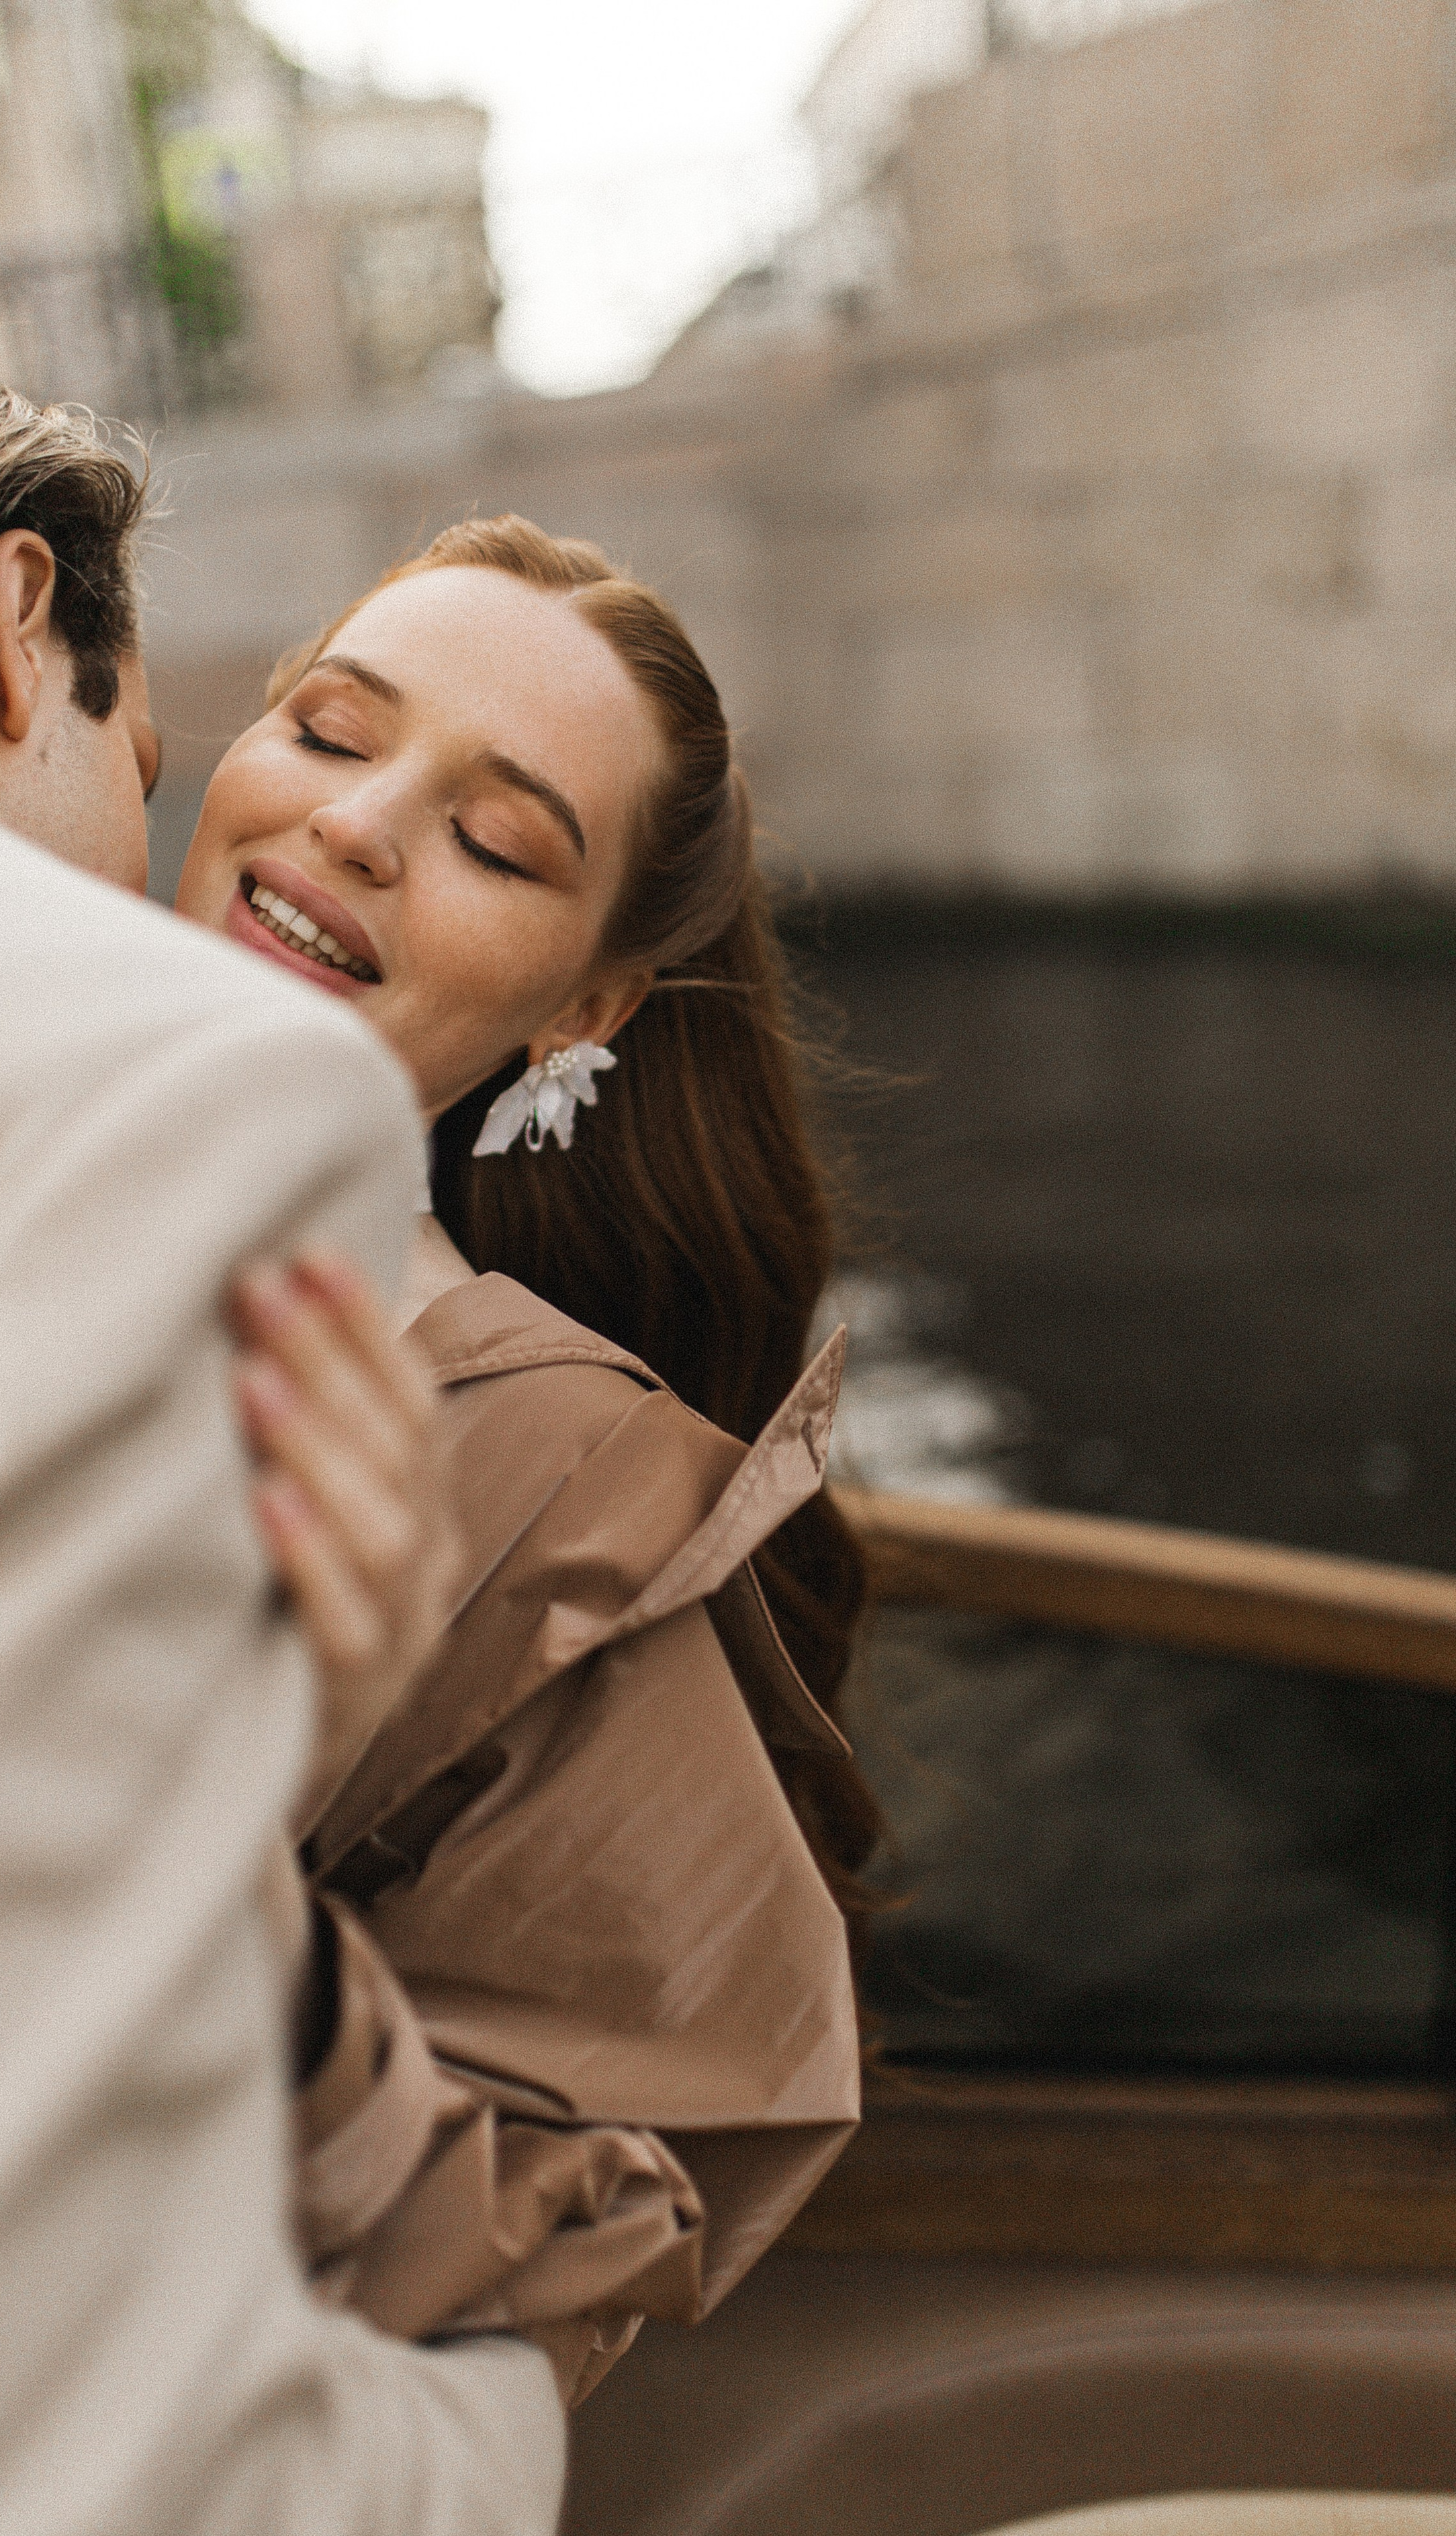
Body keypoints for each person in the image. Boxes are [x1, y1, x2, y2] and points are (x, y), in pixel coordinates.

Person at [0, 313, 562, 2536]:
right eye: (222, 743)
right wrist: (487, 2450)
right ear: (26, 620)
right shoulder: (147, 1090)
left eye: (503, 836)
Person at [175, 516, 882, 2401]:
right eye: (330, 732)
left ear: (583, 1009)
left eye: (498, 839)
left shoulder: (572, 1492)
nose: (356, 823)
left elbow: (546, 2237)